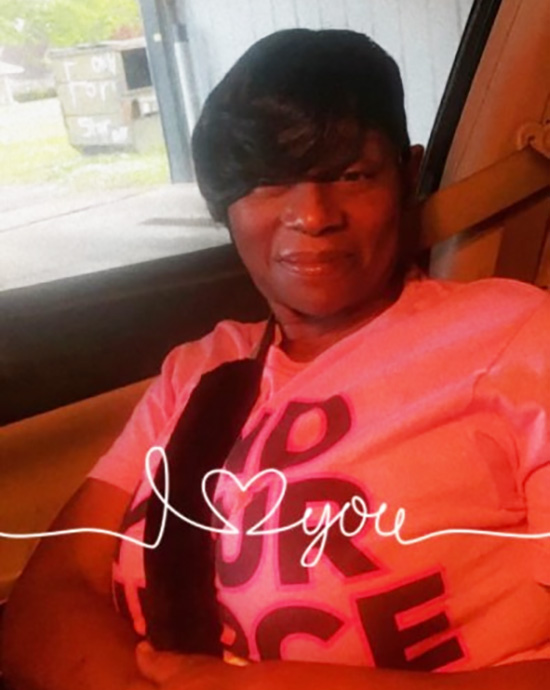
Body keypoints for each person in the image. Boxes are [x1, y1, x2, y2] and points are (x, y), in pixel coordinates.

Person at [3, 28, 550, 690]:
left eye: (351, 175)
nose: (313, 215)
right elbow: (52, 590)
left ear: (407, 175)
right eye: (266, 182)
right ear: (224, 204)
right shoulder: (201, 369)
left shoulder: (516, 337)